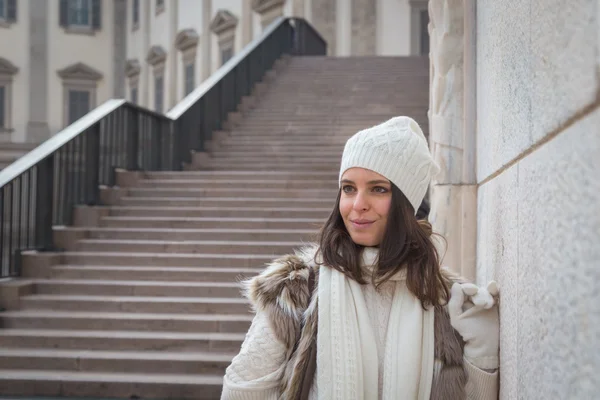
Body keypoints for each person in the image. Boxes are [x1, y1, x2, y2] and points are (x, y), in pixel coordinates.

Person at [221, 116, 500, 400]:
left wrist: (482, 352)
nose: (358, 205)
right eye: (348, 188)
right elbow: (241, 391)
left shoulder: (442, 298)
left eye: (378, 189)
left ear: (407, 203)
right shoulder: (296, 289)